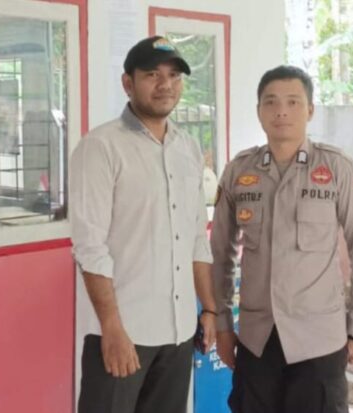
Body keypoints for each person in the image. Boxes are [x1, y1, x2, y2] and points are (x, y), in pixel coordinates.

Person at [211, 65, 353, 413]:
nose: (281, 111)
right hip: (257, 339)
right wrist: (223, 325)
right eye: (271, 102)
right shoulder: (239, 171)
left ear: (310, 110)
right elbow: (220, 253)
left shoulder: (338, 169)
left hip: (318, 341)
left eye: (292, 102)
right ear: (259, 111)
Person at [69, 35, 217, 413]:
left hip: (179, 332)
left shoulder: (188, 148)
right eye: (152, 74)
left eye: (174, 76)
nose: (165, 84)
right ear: (128, 83)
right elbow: (90, 247)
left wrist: (209, 310)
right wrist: (112, 328)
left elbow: (196, 238)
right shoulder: (101, 147)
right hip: (123, 332)